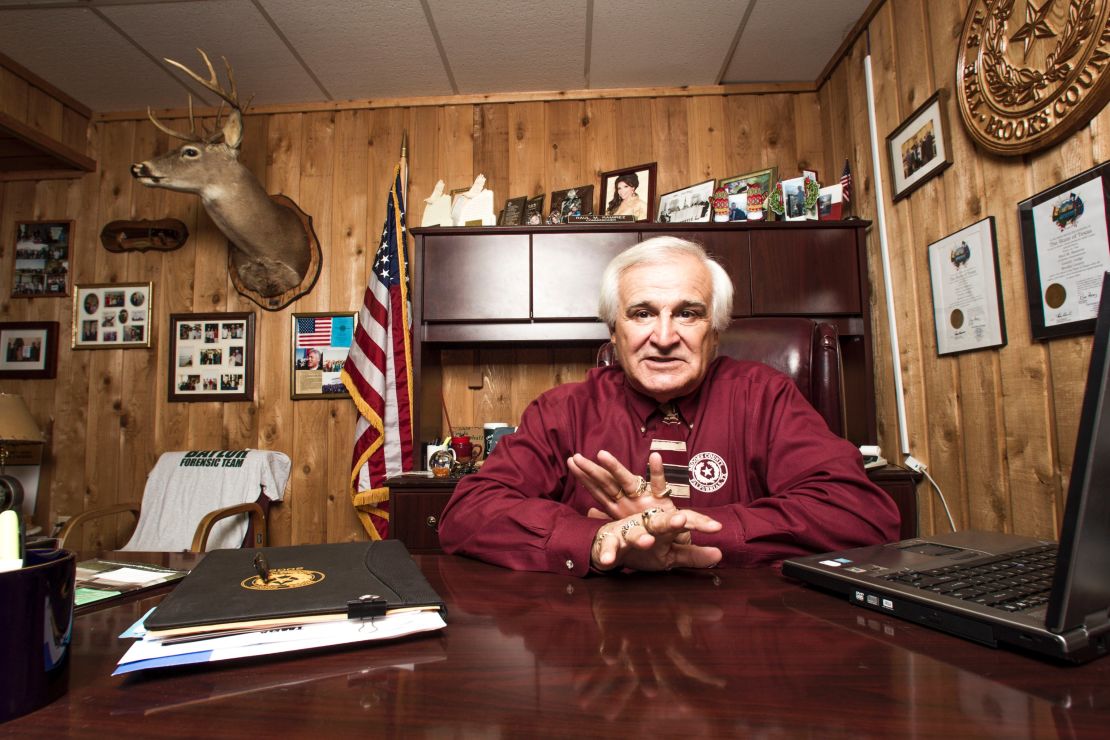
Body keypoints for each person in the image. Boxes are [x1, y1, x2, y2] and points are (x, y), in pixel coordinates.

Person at [438, 236, 900, 575]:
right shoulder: (563, 411)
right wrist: (601, 539)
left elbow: (862, 514)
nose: (663, 337)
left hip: (746, 649)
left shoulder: (765, 396)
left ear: (715, 331)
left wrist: (683, 531)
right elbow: (468, 512)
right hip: (595, 652)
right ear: (613, 333)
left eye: (688, 313)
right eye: (641, 313)